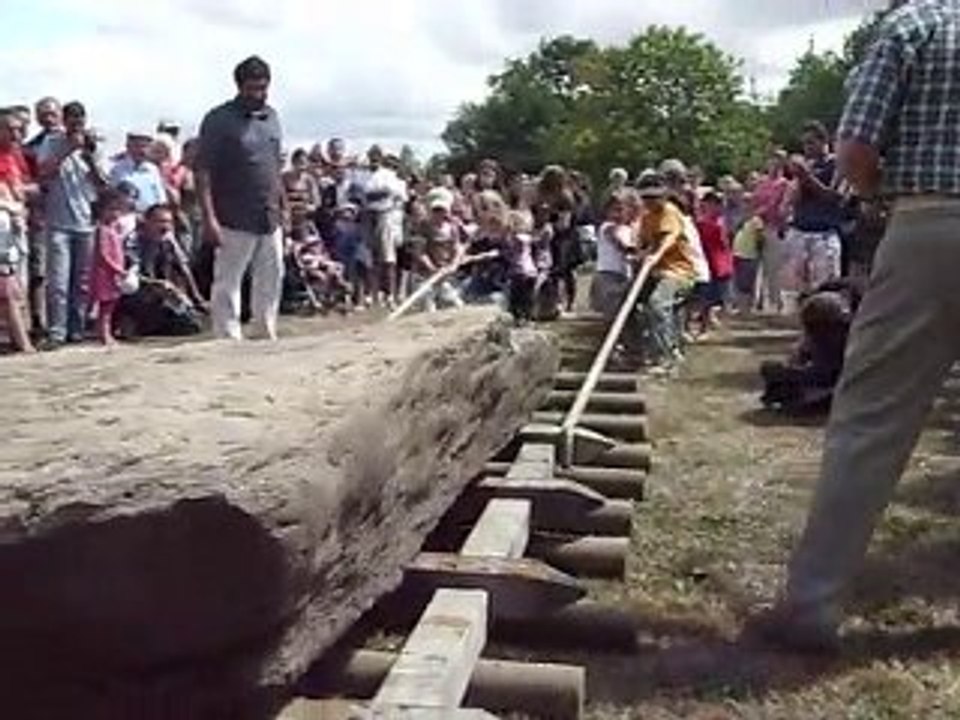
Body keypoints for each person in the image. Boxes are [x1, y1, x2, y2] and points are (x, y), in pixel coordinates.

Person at [747, 0, 960, 653]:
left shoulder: (917, 25)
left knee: (871, 421)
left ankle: (811, 606)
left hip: (932, 225)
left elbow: (856, 149)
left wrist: (872, 194)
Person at [196, 55, 285, 341]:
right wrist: (209, 218)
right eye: (252, 88)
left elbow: (275, 165)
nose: (258, 94)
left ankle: (265, 330)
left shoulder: (272, 117)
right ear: (239, 86)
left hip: (269, 214)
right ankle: (227, 337)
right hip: (232, 215)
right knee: (228, 280)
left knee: (272, 275)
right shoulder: (218, 120)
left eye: (263, 88)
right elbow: (203, 170)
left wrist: (283, 204)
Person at [35, 101, 106, 347]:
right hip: (58, 222)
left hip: (85, 221)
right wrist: (68, 149)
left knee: (82, 281)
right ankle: (57, 331)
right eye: (72, 120)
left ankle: (76, 329)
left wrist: (89, 156)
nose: (77, 124)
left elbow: (102, 183)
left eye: (80, 120)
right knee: (58, 281)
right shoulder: (51, 142)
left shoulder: (92, 144)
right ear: (64, 121)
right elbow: (43, 173)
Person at [781, 121, 845, 311]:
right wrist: (798, 179)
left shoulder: (837, 164)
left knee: (825, 286)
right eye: (804, 144)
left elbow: (833, 196)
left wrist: (806, 176)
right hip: (800, 229)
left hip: (824, 233)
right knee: (795, 286)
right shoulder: (808, 165)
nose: (807, 148)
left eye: (811, 142)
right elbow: (795, 199)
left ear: (824, 141)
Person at [636, 173, 697, 367]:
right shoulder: (646, 218)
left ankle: (666, 356)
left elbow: (668, 238)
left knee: (658, 304)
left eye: (654, 197)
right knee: (628, 302)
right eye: (646, 198)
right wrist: (641, 254)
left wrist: (656, 255)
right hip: (655, 273)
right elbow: (645, 244)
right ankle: (638, 349)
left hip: (678, 272)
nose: (650, 202)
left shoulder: (669, 212)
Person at [364, 145, 406, 308]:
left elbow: (397, 196)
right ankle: (374, 293)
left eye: (377, 157)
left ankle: (390, 294)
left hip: (387, 216)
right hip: (370, 216)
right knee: (373, 256)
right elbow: (366, 196)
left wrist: (379, 196)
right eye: (371, 157)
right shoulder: (367, 176)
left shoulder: (389, 176)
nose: (374, 160)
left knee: (388, 257)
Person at [751, 151, 790, 313]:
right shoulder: (762, 182)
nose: (773, 164)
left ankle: (775, 302)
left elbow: (780, 205)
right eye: (771, 161)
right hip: (757, 225)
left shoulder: (785, 184)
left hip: (774, 226)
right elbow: (754, 201)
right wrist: (755, 216)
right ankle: (756, 300)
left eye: (777, 161)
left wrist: (762, 212)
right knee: (755, 264)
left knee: (773, 266)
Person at [89, 189, 128, 346]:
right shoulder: (102, 230)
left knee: (111, 305)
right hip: (104, 273)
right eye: (110, 209)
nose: (114, 213)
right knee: (105, 306)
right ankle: (104, 334)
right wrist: (117, 269)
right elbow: (103, 254)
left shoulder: (114, 229)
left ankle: (106, 332)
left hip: (114, 272)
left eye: (117, 210)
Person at [0, 179, 34, 352]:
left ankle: (21, 342)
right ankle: (23, 343)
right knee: (9, 298)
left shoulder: (3, 187)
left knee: (12, 296)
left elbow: (19, 209)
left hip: (6, 252)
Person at [695, 190, 733, 332]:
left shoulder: (720, 222)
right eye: (713, 203)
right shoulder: (702, 223)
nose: (716, 206)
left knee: (717, 297)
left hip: (720, 263)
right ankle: (705, 323)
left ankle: (709, 320)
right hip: (708, 262)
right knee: (707, 296)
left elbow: (724, 243)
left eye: (718, 203)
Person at [109, 131, 167, 213]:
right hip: (127, 215)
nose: (142, 150)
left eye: (145, 146)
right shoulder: (117, 169)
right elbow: (112, 196)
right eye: (137, 146)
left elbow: (161, 198)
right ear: (128, 147)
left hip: (151, 216)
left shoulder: (152, 170)